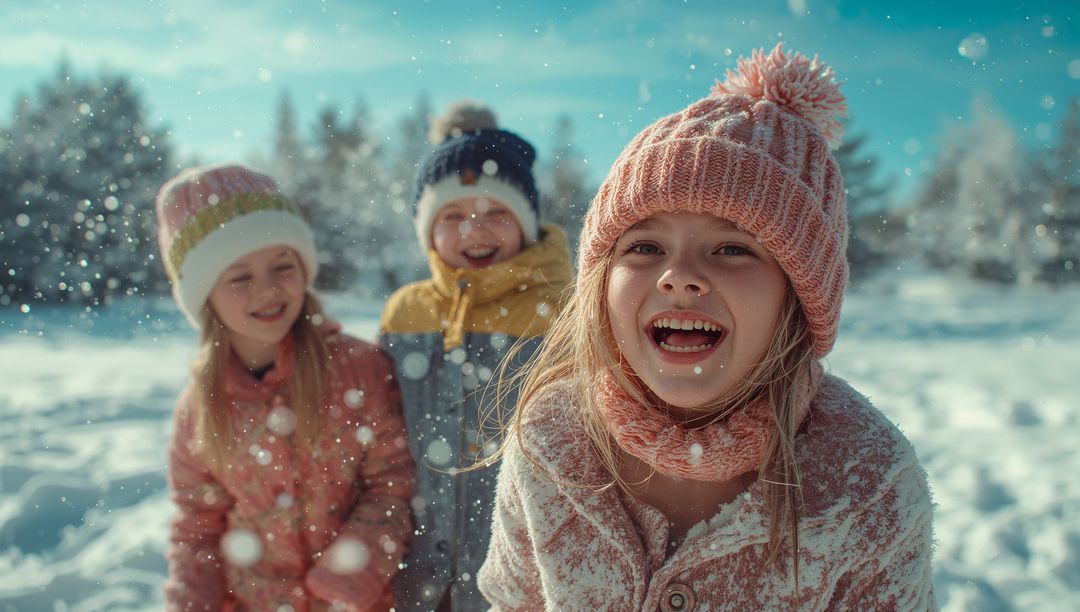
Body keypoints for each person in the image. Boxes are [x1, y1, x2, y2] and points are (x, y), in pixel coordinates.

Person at [477, 45, 935, 610]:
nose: (681, 276)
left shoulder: (869, 485)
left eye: (732, 248)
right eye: (645, 245)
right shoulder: (551, 437)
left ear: (798, 298)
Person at [157, 163, 414, 611]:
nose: (268, 289)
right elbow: (197, 528)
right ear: (205, 295)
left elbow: (391, 483)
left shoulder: (359, 369)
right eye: (239, 277)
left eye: (282, 265)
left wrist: (348, 577)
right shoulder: (200, 407)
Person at [379, 101, 573, 611]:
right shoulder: (406, 312)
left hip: (522, 576)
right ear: (427, 229)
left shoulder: (561, 309)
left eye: (496, 212)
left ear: (528, 221)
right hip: (419, 570)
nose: (475, 229)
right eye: (454, 215)